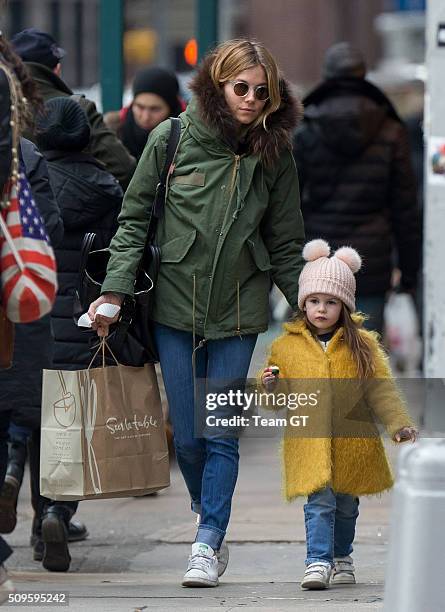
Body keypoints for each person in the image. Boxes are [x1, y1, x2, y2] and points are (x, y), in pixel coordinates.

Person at [88, 38, 305, 587]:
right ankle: (206, 511)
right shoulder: (173, 137)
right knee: (186, 437)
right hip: (174, 302)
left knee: (222, 431)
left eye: (263, 91)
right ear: (218, 85)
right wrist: (114, 292)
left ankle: (208, 538)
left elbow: (284, 243)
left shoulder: (275, 154)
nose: (252, 100)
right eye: (242, 88)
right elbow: (134, 219)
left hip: (240, 307)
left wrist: (309, 310)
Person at [261, 238, 417, 590]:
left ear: (344, 305)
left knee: (346, 506)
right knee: (319, 502)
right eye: (314, 301)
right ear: (302, 304)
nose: (321, 309)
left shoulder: (363, 345)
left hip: (353, 444)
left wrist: (398, 425)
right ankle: (317, 562)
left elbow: (382, 390)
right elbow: (275, 398)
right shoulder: (286, 347)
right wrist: (270, 385)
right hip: (310, 443)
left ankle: (342, 555)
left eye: (330, 302)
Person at [0, 38, 87, 574]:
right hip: (42, 312)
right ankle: (52, 509)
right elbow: (48, 230)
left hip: (34, 318)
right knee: (51, 418)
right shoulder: (26, 162)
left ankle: (10, 473)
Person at [293, 42, 421, 335]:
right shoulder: (391, 129)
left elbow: (290, 205)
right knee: (365, 359)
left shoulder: (306, 129)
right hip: (370, 265)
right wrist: (409, 273)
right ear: (363, 75)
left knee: (314, 361)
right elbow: (405, 209)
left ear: (327, 75)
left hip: (318, 265)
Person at [10, 28, 136, 189]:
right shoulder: (77, 109)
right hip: (71, 212)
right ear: (57, 69)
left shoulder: (5, 108)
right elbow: (123, 168)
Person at [105, 66, 184, 161]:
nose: (145, 117)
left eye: (155, 109)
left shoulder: (189, 133)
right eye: (140, 107)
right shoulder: (111, 131)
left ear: (171, 108)